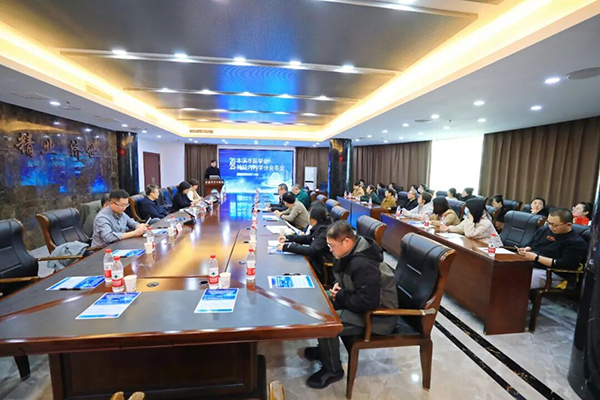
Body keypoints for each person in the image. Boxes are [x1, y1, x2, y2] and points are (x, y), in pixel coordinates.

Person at [303, 221, 398, 388]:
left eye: (332, 246)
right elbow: (350, 279)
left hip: (378, 317)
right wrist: (338, 286)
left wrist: (340, 295)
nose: (330, 250)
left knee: (325, 322)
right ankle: (325, 350)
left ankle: (333, 370)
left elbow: (368, 301)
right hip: (359, 302)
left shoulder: (363, 263)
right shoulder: (352, 249)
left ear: (346, 242)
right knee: (319, 300)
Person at [518, 208, 588, 289]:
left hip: (553, 273)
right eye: (549, 223)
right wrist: (527, 248)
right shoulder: (544, 230)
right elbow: (531, 243)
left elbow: (563, 264)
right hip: (532, 264)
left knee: (520, 279)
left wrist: (536, 257)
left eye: (555, 225)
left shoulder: (576, 242)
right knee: (509, 270)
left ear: (569, 224)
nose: (551, 227)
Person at [277, 205, 333, 281]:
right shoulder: (320, 227)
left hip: (320, 264)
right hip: (315, 258)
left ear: (313, 220)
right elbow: (307, 238)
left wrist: (287, 247)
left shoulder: (323, 231)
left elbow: (311, 250)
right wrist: (287, 238)